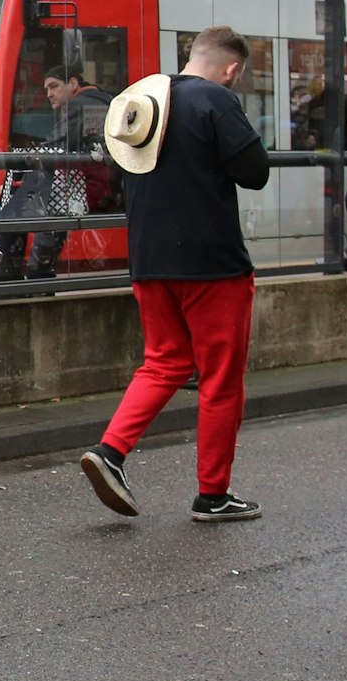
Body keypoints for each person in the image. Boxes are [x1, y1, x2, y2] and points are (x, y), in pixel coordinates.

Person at [79, 27, 270, 523]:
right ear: (232, 69)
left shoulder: (142, 96)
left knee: (163, 362)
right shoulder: (216, 99)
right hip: (213, 263)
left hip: (148, 259)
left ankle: (110, 451)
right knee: (220, 380)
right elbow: (255, 170)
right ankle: (213, 494)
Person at [0, 68, 112, 280]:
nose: (48, 94)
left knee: (6, 213)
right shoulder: (106, 101)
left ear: (73, 83)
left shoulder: (77, 105)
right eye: (46, 88)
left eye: (54, 86)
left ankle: (10, 282)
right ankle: (31, 279)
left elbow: (53, 148)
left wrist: (14, 182)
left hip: (75, 189)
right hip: (97, 187)